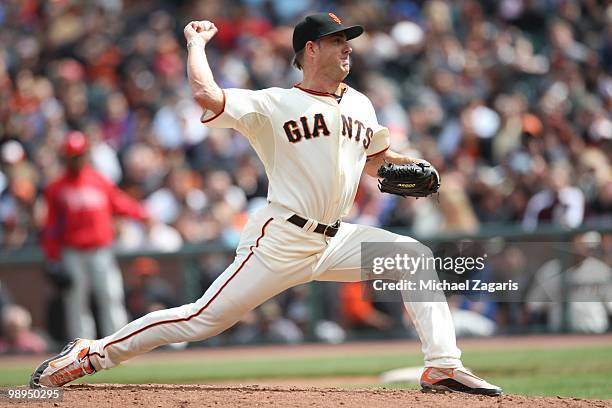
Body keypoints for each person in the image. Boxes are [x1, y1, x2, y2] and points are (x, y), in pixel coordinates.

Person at [30, 13, 502, 396]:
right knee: (201, 318)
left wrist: (409, 165)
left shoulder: (360, 103)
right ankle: (91, 354)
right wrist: (196, 46)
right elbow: (206, 96)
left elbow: (378, 162)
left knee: (413, 256)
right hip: (281, 238)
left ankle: (442, 366)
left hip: (337, 237)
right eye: (338, 41)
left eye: (349, 41)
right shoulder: (273, 104)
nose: (348, 49)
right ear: (310, 50)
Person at [39, 131, 150, 341]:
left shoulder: (99, 181)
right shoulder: (57, 188)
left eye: (80, 155)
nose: (77, 160)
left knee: (110, 296)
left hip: (101, 250)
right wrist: (52, 258)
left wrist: (142, 214)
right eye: (73, 156)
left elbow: (119, 203)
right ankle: (80, 351)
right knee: (76, 302)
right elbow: (51, 228)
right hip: (72, 252)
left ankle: (117, 345)